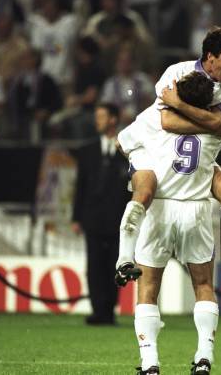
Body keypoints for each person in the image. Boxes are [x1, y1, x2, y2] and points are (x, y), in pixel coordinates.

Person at [114, 26, 221, 289]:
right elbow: (168, 121)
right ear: (210, 56)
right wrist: (212, 125)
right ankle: (124, 260)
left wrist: (184, 107)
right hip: (145, 146)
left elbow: (215, 121)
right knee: (146, 189)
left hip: (182, 149)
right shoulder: (176, 72)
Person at [129, 71, 221, 375]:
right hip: (196, 209)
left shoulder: (158, 122)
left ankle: (150, 363)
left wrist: (170, 101)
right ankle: (204, 355)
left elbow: (125, 141)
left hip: (160, 209)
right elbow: (211, 122)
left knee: (148, 288)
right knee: (204, 285)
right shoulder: (218, 132)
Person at [71, 103, 130, 326]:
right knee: (94, 266)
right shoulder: (87, 151)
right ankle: (98, 311)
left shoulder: (127, 149)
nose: (97, 121)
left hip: (118, 219)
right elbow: (80, 187)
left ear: (113, 120)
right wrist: (76, 218)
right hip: (92, 218)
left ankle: (109, 311)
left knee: (114, 265)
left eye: (101, 116)